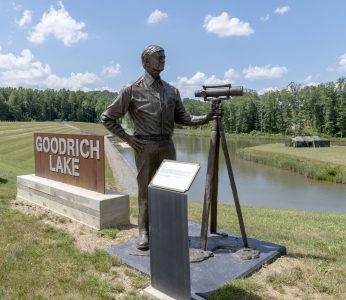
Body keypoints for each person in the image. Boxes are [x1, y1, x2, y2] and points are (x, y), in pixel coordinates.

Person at [101, 45, 214, 250]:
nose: (163, 59)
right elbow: (107, 118)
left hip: (167, 146)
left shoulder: (172, 91)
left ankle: (170, 229)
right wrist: (127, 138)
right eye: (158, 57)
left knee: (171, 191)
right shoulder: (131, 89)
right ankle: (144, 232)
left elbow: (184, 118)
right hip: (144, 147)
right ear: (146, 62)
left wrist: (207, 117)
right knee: (145, 191)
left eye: (164, 56)